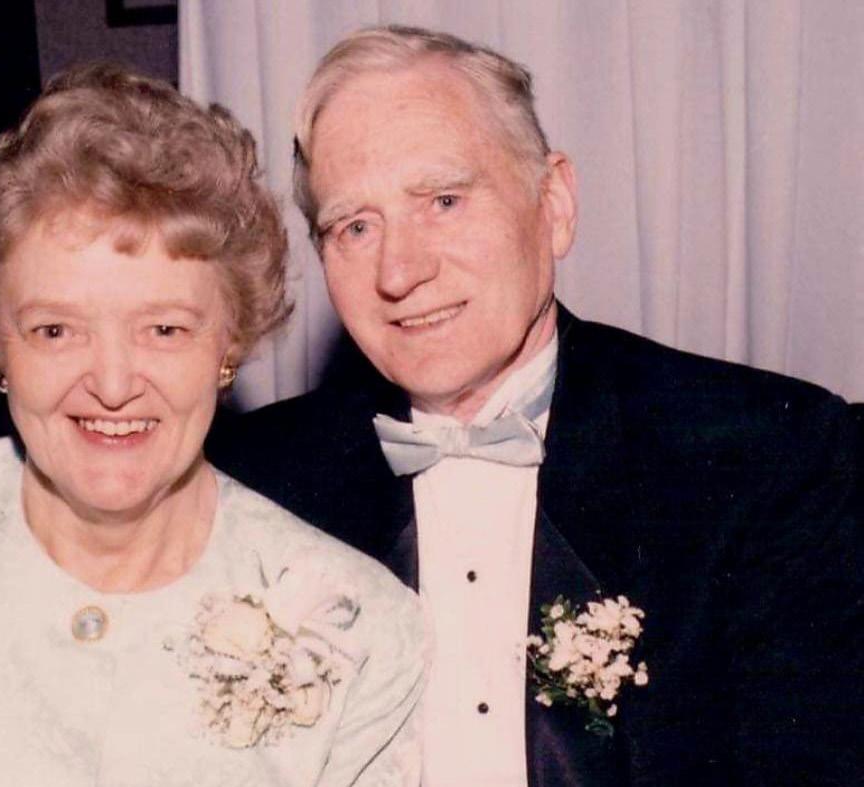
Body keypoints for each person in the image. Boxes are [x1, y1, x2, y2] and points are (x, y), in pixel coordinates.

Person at [207, 25, 863, 786]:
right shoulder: (249, 484)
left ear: (553, 205)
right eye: (355, 226)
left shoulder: (762, 456)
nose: (399, 270)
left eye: (443, 201)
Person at [0, 64, 425, 786]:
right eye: (56, 331)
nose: (113, 386)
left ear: (229, 344)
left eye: (164, 330)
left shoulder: (360, 630)